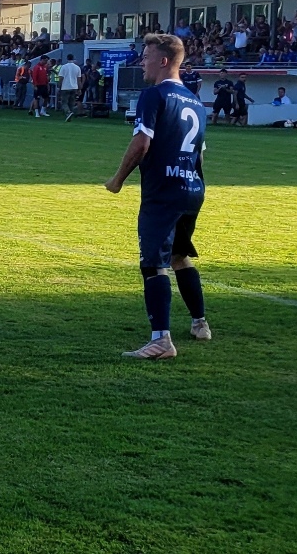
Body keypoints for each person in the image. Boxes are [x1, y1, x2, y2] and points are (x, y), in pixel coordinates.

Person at [104, 33, 211, 360]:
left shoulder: (153, 95)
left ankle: (161, 340)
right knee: (179, 255)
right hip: (192, 189)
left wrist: (118, 179)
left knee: (153, 263)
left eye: (147, 57)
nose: (142, 63)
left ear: (163, 61)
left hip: (163, 191)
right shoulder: (196, 102)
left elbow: (141, 144)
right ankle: (200, 323)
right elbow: (200, 154)